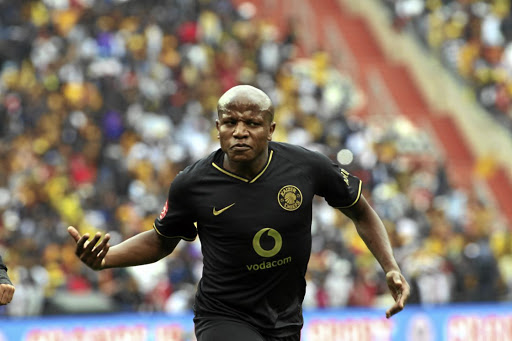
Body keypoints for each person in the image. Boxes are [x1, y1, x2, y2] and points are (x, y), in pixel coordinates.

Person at [68, 85, 410, 341]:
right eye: (230, 122)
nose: (240, 131)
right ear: (217, 127)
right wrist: (107, 259)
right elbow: (161, 241)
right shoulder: (193, 183)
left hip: (286, 318)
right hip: (223, 316)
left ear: (271, 129)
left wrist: (390, 267)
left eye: (252, 123)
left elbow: (361, 212)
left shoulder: (306, 167)